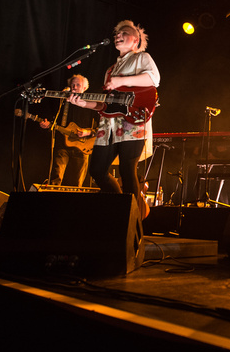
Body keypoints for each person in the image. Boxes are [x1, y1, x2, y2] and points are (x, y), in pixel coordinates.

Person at [69, 20, 160, 219]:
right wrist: (83, 104)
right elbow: (106, 105)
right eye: (117, 33)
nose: (118, 35)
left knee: (128, 170)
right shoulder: (109, 70)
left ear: (135, 40)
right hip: (109, 125)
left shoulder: (142, 57)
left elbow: (154, 79)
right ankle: (122, 207)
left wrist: (122, 81)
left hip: (132, 121)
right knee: (97, 169)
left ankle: (133, 221)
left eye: (124, 33)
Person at [39, 74, 97, 187]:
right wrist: (47, 125)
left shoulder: (91, 105)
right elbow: (55, 120)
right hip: (62, 145)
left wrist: (88, 132)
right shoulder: (63, 102)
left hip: (82, 147)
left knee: (76, 183)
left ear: (85, 88)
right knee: (55, 178)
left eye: (78, 85)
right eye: (72, 84)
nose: (74, 87)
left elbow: (101, 127)